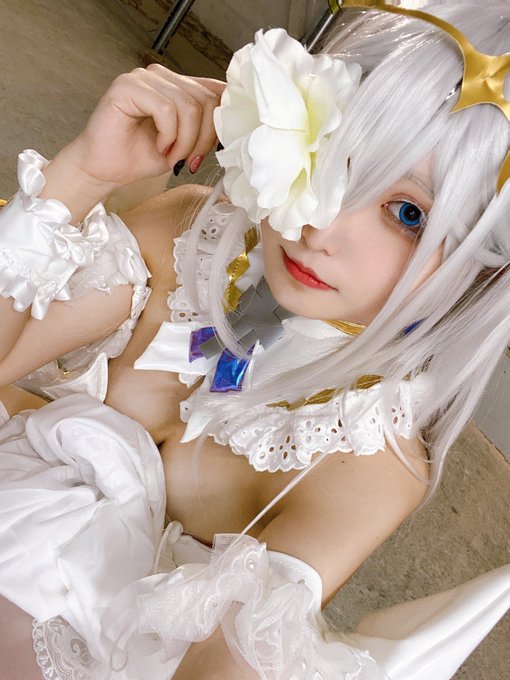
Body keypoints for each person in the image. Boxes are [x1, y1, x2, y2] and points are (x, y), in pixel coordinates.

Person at [0, 1, 509, 678]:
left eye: (408, 213)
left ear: (483, 269)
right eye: (337, 154)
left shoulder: (370, 462)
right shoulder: (194, 240)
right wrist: (80, 178)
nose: (322, 227)